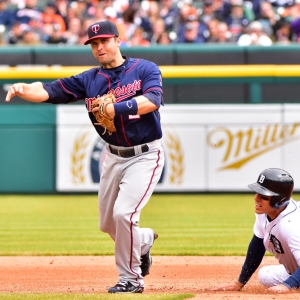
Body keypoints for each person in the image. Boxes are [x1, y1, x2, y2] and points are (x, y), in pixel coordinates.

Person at [5, 20, 164, 294]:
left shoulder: (144, 69)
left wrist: (118, 107)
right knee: (107, 224)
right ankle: (144, 241)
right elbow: (49, 90)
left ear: (117, 40)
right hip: (113, 157)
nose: (99, 47)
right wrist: (22, 88)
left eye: (103, 41)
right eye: (94, 44)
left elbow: (153, 99)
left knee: (124, 214)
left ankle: (131, 279)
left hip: (145, 154)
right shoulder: (89, 80)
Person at [211, 168, 300, 293]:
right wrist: (239, 283)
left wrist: (287, 285)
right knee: (265, 275)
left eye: (263, 196)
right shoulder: (265, 212)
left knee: (287, 283)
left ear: (278, 200)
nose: (256, 198)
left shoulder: (291, 225)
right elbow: (257, 244)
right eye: (257, 193)